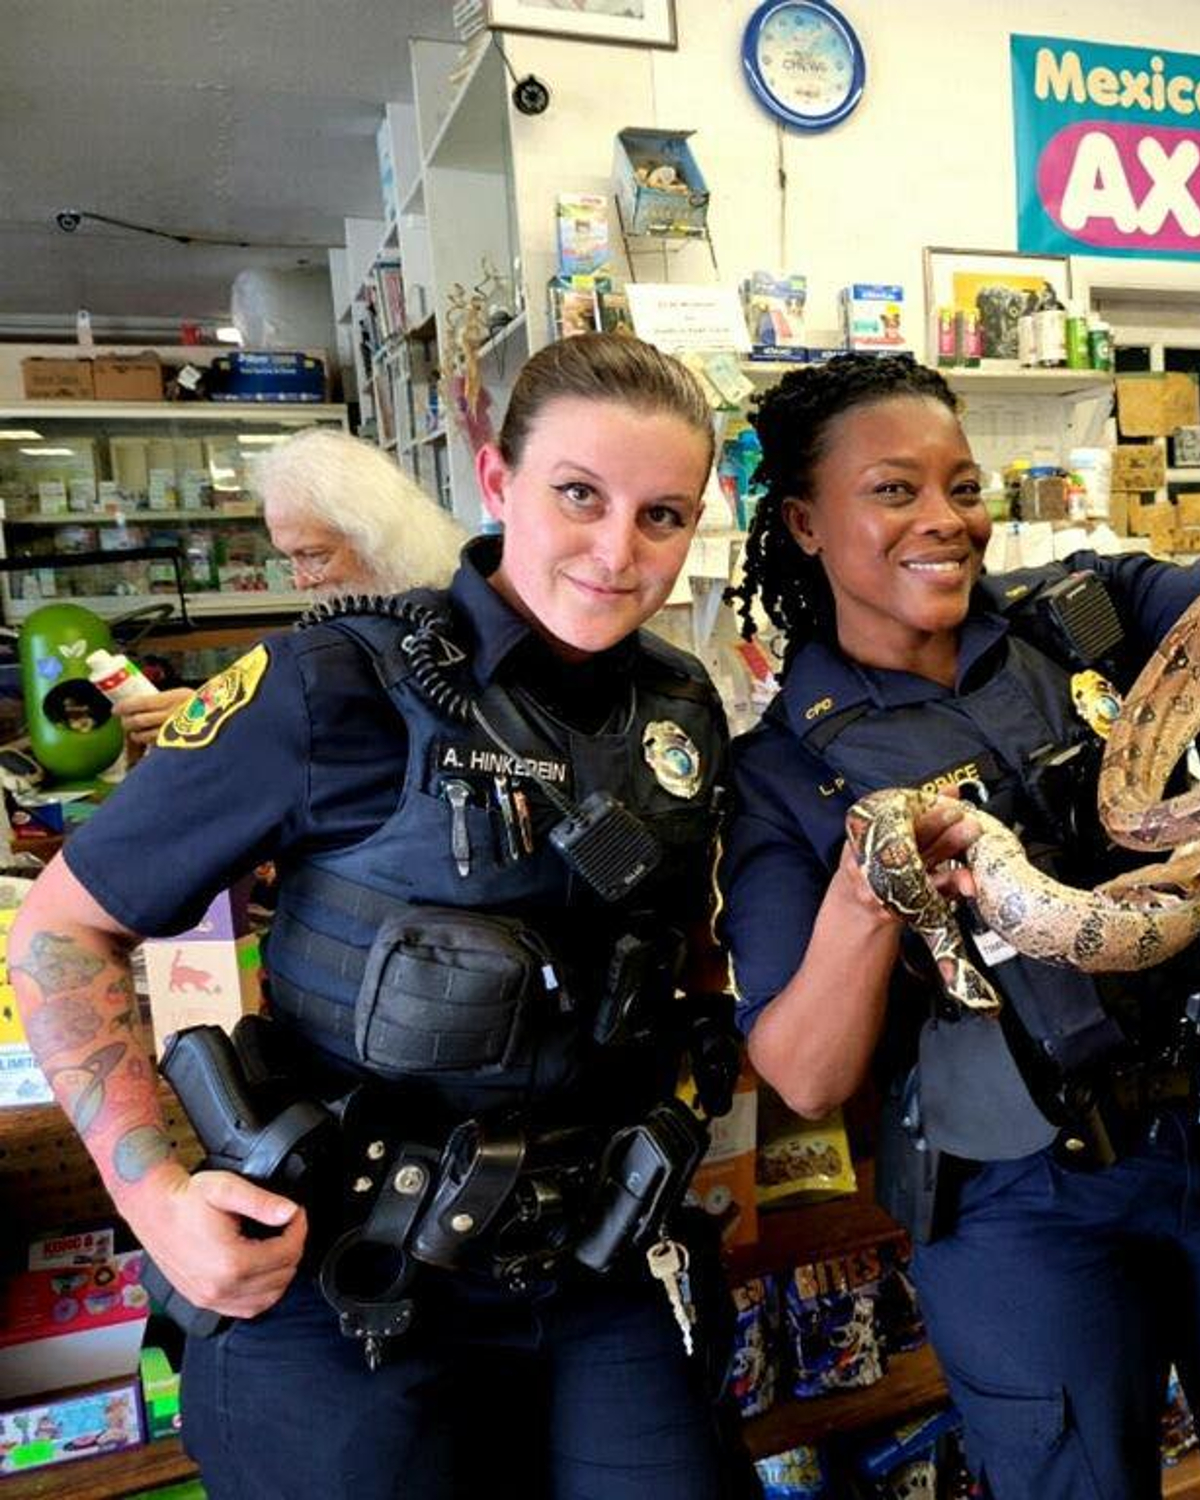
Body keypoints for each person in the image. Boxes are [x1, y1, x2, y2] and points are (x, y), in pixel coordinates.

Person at [9, 333, 746, 1499]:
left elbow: (686, 949)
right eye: (578, 496)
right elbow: (61, 927)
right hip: (351, 1272)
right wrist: (154, 1200)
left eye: (662, 514)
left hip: (598, 1264)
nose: (617, 551)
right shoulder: (326, 685)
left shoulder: (680, 702)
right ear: (498, 485)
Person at [720, 354, 1200, 1499]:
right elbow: (805, 1072)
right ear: (803, 522)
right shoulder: (784, 768)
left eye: (963, 487)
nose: (944, 521)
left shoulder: (1081, 614)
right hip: (1016, 1198)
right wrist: (861, 893)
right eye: (893, 490)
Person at [114, 429, 469, 747]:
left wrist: (226, 723)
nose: (300, 581)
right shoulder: (365, 625)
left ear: (379, 541)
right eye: (290, 559)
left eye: (314, 555)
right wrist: (211, 715)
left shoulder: (448, 622)